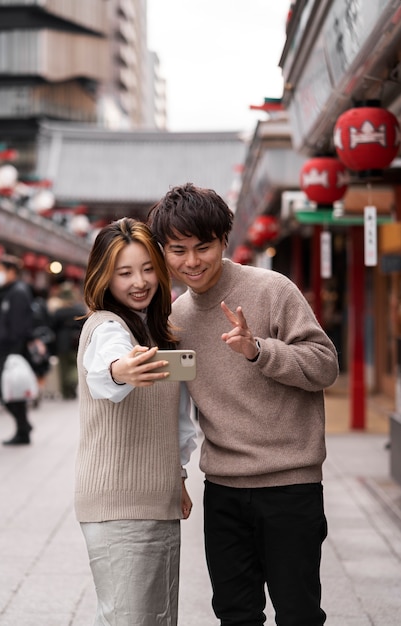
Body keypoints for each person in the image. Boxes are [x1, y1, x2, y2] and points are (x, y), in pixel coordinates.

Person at [148, 183, 340, 626]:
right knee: (235, 613)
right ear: (163, 252)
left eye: (203, 247)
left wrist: (259, 350)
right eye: (178, 250)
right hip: (224, 492)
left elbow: (325, 366)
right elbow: (177, 409)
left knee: (298, 612)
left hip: (290, 484)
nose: (191, 261)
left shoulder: (272, 289)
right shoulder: (176, 319)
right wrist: (176, 473)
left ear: (223, 242)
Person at [75, 217, 197, 626]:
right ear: (103, 277)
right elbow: (104, 372)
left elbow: (175, 419)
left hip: (156, 499)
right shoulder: (107, 327)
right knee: (129, 619)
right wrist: (120, 371)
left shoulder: (157, 332)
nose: (139, 282)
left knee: (158, 616)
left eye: (147, 269)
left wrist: (177, 475)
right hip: (120, 505)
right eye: (123, 273)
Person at [0, 254, 34, 445]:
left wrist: (13, 353)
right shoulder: (9, 292)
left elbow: (18, 326)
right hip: (8, 350)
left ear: (12, 272)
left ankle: (23, 428)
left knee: (6, 390)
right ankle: (23, 427)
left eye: (0, 270)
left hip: (13, 351)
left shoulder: (18, 292)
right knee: (9, 391)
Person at [51, 282, 85, 399]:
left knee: (63, 368)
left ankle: (66, 392)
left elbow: (52, 327)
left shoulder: (58, 312)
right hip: (76, 341)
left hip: (62, 342)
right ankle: (72, 383)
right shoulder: (79, 310)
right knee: (75, 366)